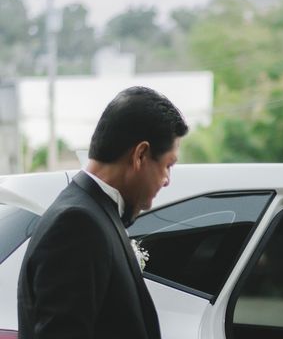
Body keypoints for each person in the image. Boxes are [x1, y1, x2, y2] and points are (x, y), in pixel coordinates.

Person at [17, 86, 189, 339]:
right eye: (167, 166)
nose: (167, 181)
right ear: (140, 155)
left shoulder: (92, 213)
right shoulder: (76, 225)